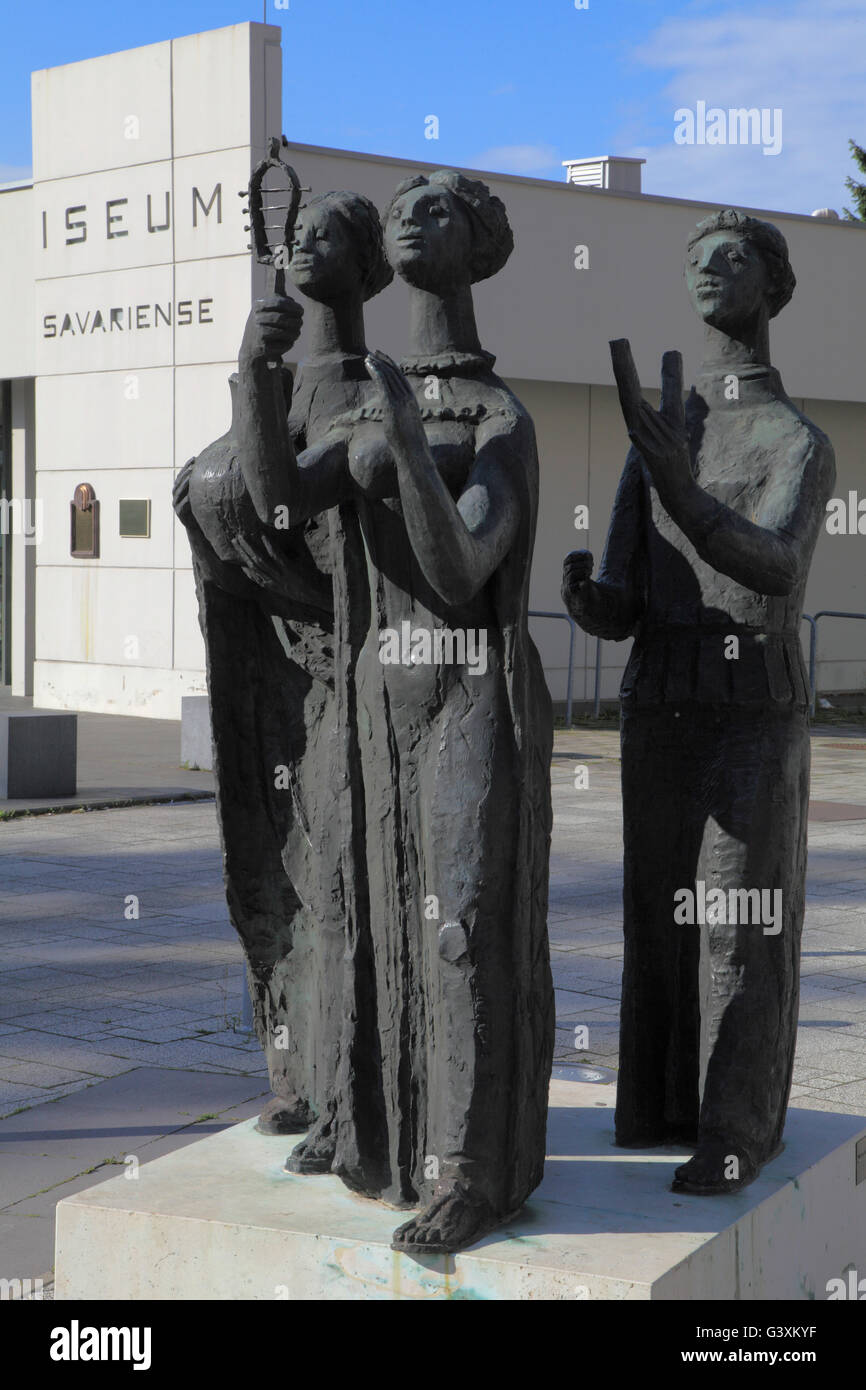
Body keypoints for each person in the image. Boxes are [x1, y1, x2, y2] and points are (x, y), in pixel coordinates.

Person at [242, 169, 555, 1253]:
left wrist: (413, 453)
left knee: (460, 927)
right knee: (373, 921)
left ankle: (469, 1167)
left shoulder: (497, 418)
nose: (415, 215)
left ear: (478, 249)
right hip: (379, 699)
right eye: (406, 205)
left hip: (469, 690)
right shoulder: (377, 398)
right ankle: (370, 1126)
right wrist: (254, 369)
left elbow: (463, 564)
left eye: (442, 209)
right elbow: (279, 507)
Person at [562, 209, 835, 1194]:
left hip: (749, 706)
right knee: (657, 915)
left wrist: (682, 490)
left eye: (734, 256)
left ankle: (734, 1123)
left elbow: (772, 563)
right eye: (696, 259)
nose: (711, 268)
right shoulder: (659, 441)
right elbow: (629, 599)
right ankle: (660, 1107)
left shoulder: (794, 440)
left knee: (735, 914)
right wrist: (591, 599)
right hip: (658, 705)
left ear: (771, 286)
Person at [173, 190, 391, 1138]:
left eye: (326, 235)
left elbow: (278, 508)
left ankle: (354, 1094)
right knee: (273, 870)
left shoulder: (372, 390)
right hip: (269, 676)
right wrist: (254, 372)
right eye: (297, 235)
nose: (304, 246)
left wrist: (252, 374)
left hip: (350, 675)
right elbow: (210, 488)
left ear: (367, 266)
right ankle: (299, 1073)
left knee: (343, 882)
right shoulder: (285, 385)